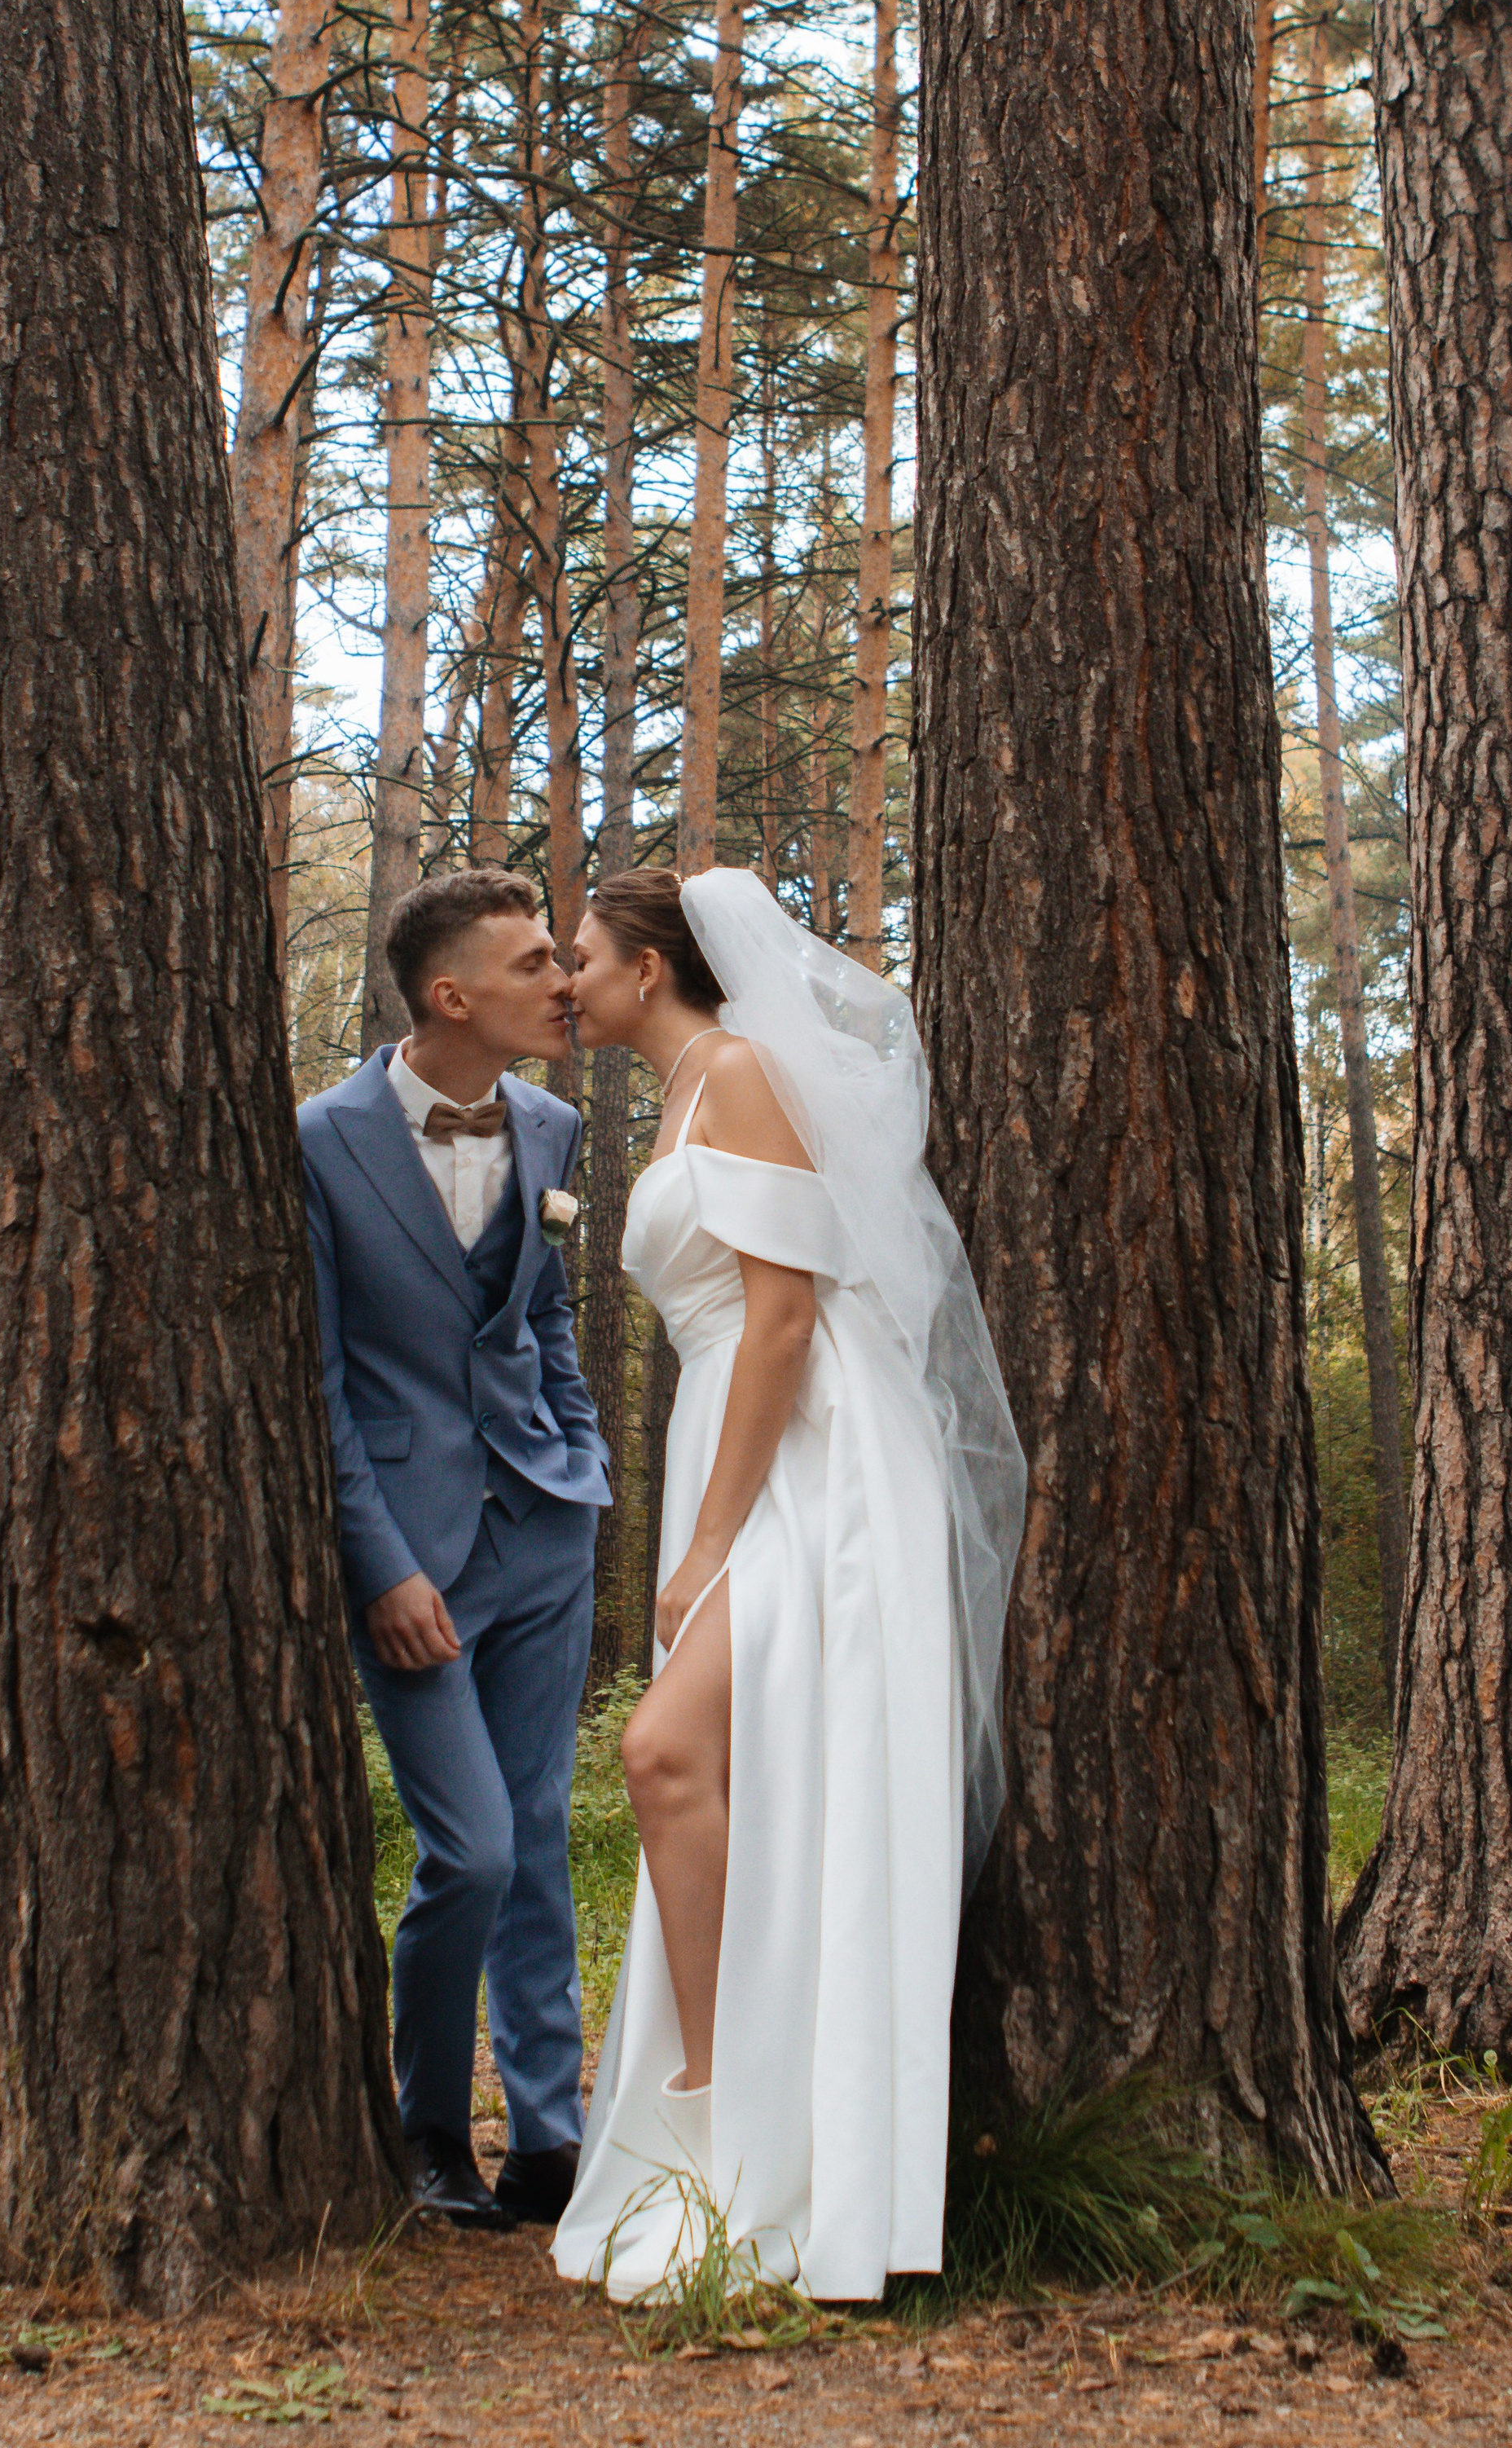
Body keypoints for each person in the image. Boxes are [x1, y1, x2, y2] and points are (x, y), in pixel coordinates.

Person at [552, 866, 1026, 2303]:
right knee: (695, 1771)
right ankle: (718, 2111)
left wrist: (705, 1543)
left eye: (580, 954)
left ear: (650, 967)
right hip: (740, 1441)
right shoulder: (690, 1087)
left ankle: (734, 2113)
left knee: (658, 1749)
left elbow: (778, 1322)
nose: (565, 979)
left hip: (811, 1465)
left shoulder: (744, 1071)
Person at [299, 868, 611, 2230]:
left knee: (538, 1837)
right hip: (412, 1561)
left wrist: (583, 1459)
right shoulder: (319, 1141)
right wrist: (379, 1570)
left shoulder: (551, 1124)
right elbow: (316, 1383)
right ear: (451, 996)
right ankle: (430, 2129)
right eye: (537, 961)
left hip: (546, 1526)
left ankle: (551, 2138)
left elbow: (542, 1318)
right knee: (470, 1852)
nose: (566, 980)